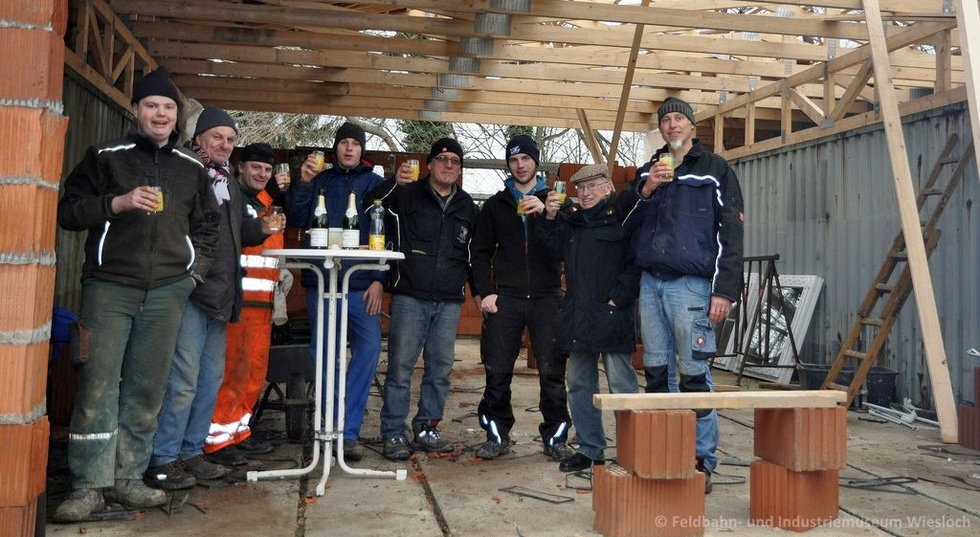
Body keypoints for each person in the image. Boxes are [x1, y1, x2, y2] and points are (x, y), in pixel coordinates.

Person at [54, 67, 220, 522]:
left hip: (167, 292)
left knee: (147, 389)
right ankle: (88, 486)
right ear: (135, 110)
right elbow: (68, 211)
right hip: (110, 287)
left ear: (177, 116)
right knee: (98, 386)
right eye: (151, 105)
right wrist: (117, 203)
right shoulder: (105, 156)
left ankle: (128, 478)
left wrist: (190, 278)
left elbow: (208, 229)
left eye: (168, 107)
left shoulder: (192, 168)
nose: (160, 113)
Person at [146, 106, 275, 489]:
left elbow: (234, 233)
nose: (224, 144)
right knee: (184, 379)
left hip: (221, 295)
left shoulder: (226, 180)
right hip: (191, 292)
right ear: (199, 137)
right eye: (217, 136)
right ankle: (164, 459)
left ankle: (192, 452)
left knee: (209, 379)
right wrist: (188, 278)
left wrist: (261, 228)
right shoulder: (185, 169)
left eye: (230, 139)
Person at [627, 96, 745, 493]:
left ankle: (700, 459)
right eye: (666, 120)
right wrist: (647, 187)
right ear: (661, 129)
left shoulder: (715, 170)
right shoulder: (650, 169)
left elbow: (732, 232)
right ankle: (665, 453)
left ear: (693, 126)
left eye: (679, 118)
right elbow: (626, 223)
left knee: (693, 374)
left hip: (691, 286)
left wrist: (724, 290)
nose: (672, 125)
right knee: (656, 373)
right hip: (651, 284)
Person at [370, 138, 478, 462]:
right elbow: (371, 207)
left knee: (440, 370)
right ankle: (393, 432)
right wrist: (394, 182)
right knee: (400, 368)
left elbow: (475, 255)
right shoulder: (406, 195)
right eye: (442, 159)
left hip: (449, 300)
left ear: (460, 169)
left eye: (455, 161)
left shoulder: (468, 207)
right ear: (429, 164)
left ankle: (427, 429)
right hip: (409, 296)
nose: (449, 165)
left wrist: (481, 293)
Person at [283, 122, 386, 461]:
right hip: (323, 281)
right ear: (335, 148)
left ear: (362, 149)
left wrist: (378, 279)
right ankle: (328, 425)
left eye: (355, 143)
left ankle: (349, 432)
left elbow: (385, 230)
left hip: (361, 285)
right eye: (344, 142)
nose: (349, 148)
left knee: (368, 351)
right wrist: (302, 182)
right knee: (326, 356)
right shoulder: (320, 180)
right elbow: (296, 216)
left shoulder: (375, 184)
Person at [470, 135, 572, 461]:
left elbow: (569, 246)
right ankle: (496, 434)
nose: (520, 165)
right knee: (497, 370)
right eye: (514, 160)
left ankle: (555, 437)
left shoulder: (557, 201)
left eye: (526, 158)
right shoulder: (495, 205)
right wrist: (485, 292)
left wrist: (548, 215)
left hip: (547, 296)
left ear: (536, 162)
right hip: (507, 297)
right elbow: (479, 252)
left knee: (552, 372)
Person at [537, 164, 641, 473]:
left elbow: (636, 263)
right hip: (578, 316)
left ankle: (632, 452)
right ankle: (590, 449)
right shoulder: (573, 222)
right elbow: (551, 251)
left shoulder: (623, 218)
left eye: (592, 186)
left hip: (612, 315)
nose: (585, 193)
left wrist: (618, 299)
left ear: (608, 187)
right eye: (580, 188)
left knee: (621, 386)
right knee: (579, 384)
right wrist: (549, 218)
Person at [204, 143, 287, 462]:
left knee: (254, 372)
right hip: (236, 304)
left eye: (267, 169)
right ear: (241, 167)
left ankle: (240, 431)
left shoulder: (268, 204)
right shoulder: (230, 199)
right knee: (231, 372)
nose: (262, 174)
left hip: (263, 306)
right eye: (256, 167)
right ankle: (217, 440)